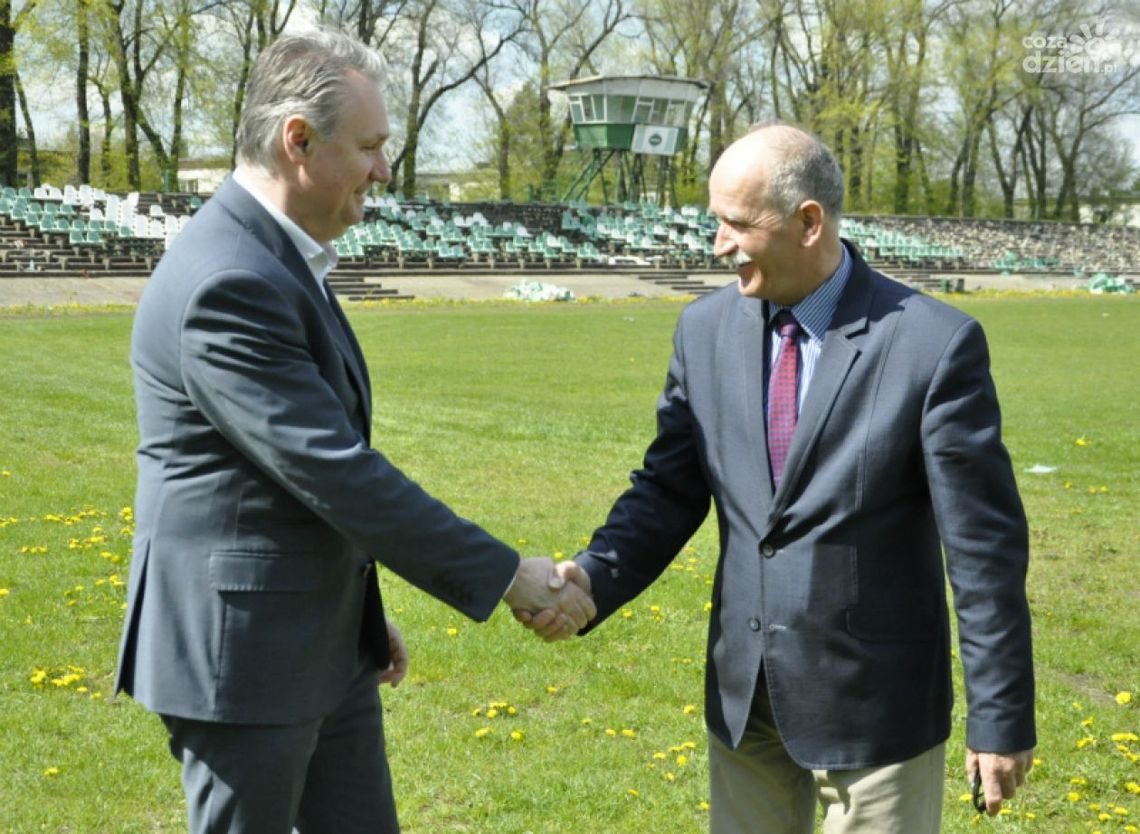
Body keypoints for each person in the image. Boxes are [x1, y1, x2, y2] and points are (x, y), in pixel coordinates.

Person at [115, 26, 592, 834]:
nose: (384, 169)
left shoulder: (276, 256)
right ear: (297, 141)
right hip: (246, 660)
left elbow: (301, 481)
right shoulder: (231, 277)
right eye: (370, 146)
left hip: (313, 641)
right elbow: (332, 470)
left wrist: (352, 619)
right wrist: (510, 574)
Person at [522, 123, 1035, 832]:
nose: (717, 244)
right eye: (715, 221)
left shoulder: (933, 346)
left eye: (735, 223)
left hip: (875, 715)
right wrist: (591, 576)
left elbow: (984, 554)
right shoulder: (703, 332)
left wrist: (1000, 714)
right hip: (745, 704)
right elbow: (668, 490)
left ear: (808, 222)